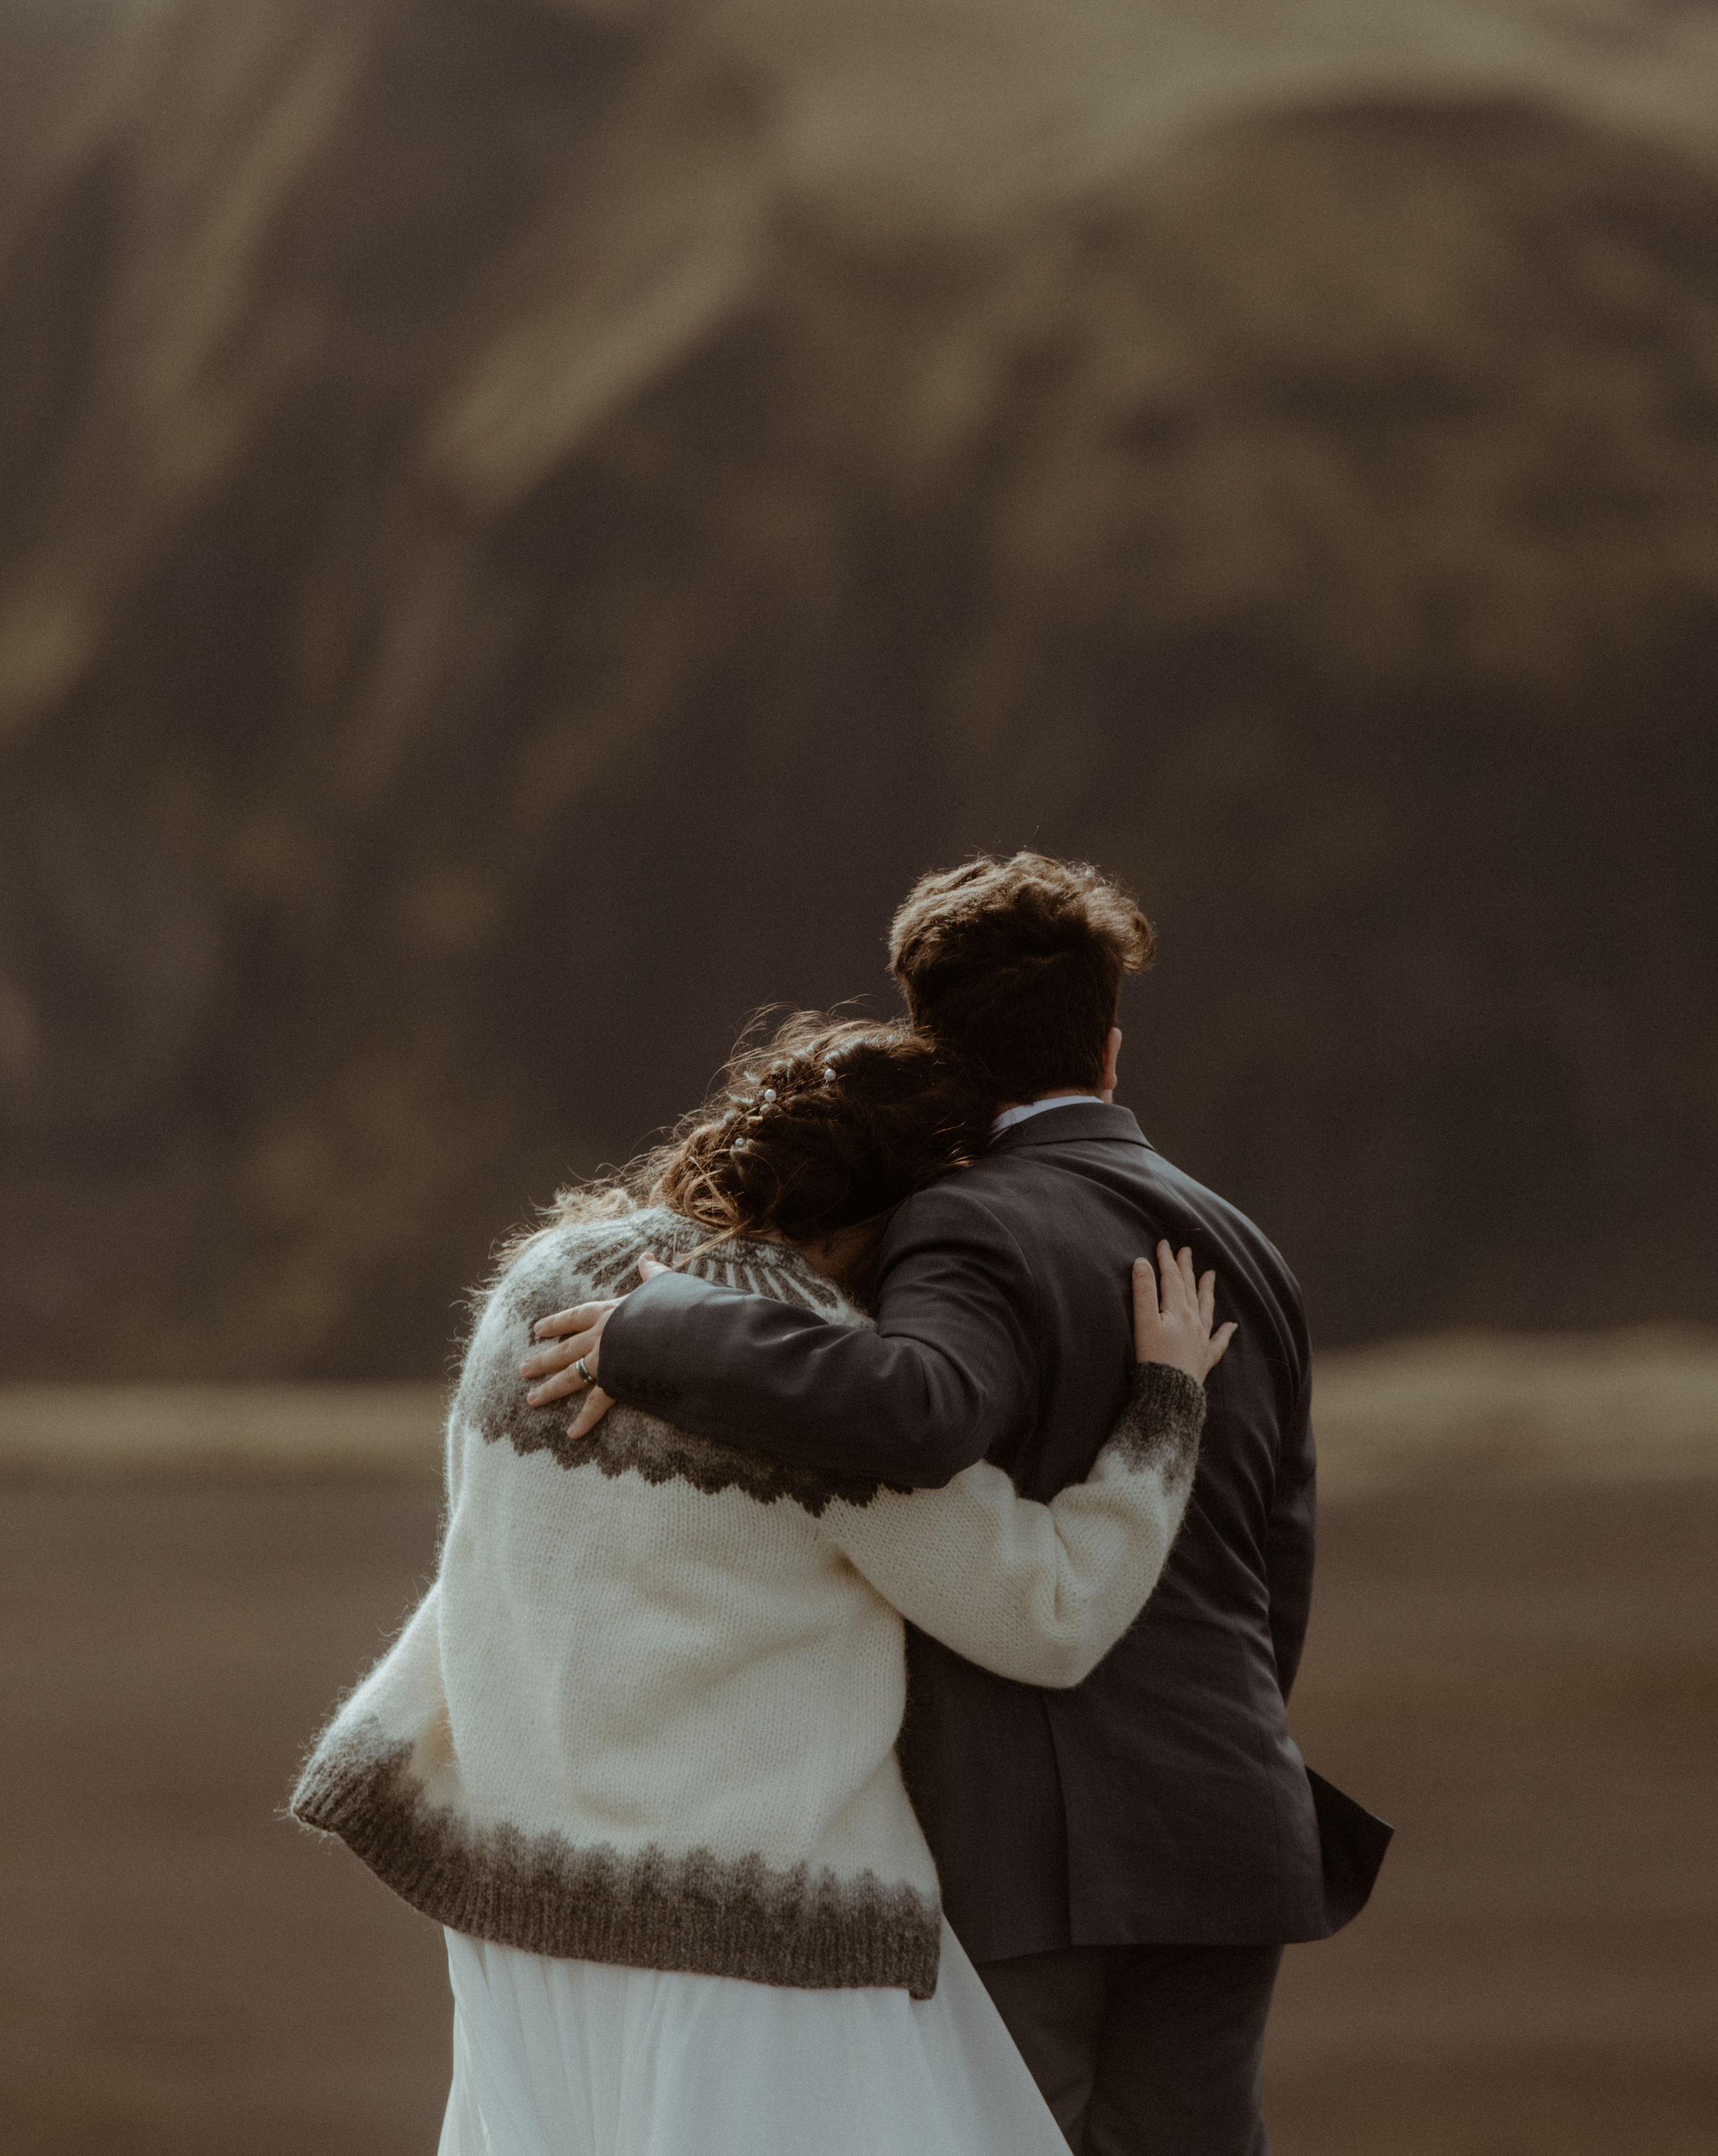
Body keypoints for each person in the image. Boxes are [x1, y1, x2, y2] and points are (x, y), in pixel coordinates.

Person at [524, 854, 1391, 2156]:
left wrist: (666, 1331)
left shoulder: (964, 1224)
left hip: (1027, 1847)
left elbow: (918, 1410)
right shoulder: (1240, 1244)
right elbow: (1278, 1561)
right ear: (1108, 1048)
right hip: (1226, 1820)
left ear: (927, 1037)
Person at [291, 1011, 1233, 2156]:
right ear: (892, 1224)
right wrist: (1165, 1406)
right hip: (747, 1942)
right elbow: (1052, 1613)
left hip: (516, 1914)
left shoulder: (538, 1284)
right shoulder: (816, 1381)